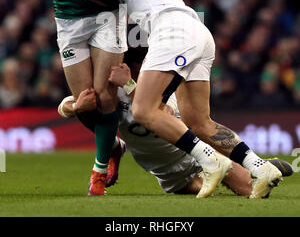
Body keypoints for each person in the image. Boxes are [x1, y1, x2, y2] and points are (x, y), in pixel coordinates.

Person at [76, 0, 283, 198]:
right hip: (195, 28)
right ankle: (260, 166)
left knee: (144, 109)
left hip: (171, 30)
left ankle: (212, 162)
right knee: (200, 122)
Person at [22, 0, 128, 196]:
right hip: (69, 22)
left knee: (105, 95)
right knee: (86, 104)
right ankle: (114, 146)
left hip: (106, 16)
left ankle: (97, 176)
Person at [57, 63, 293, 197]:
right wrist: (76, 106)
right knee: (204, 190)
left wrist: (129, 85)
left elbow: (162, 113)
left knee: (251, 192)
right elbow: (63, 106)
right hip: (168, 172)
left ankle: (259, 167)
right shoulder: (106, 95)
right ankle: (263, 165)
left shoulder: (157, 90)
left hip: (195, 154)